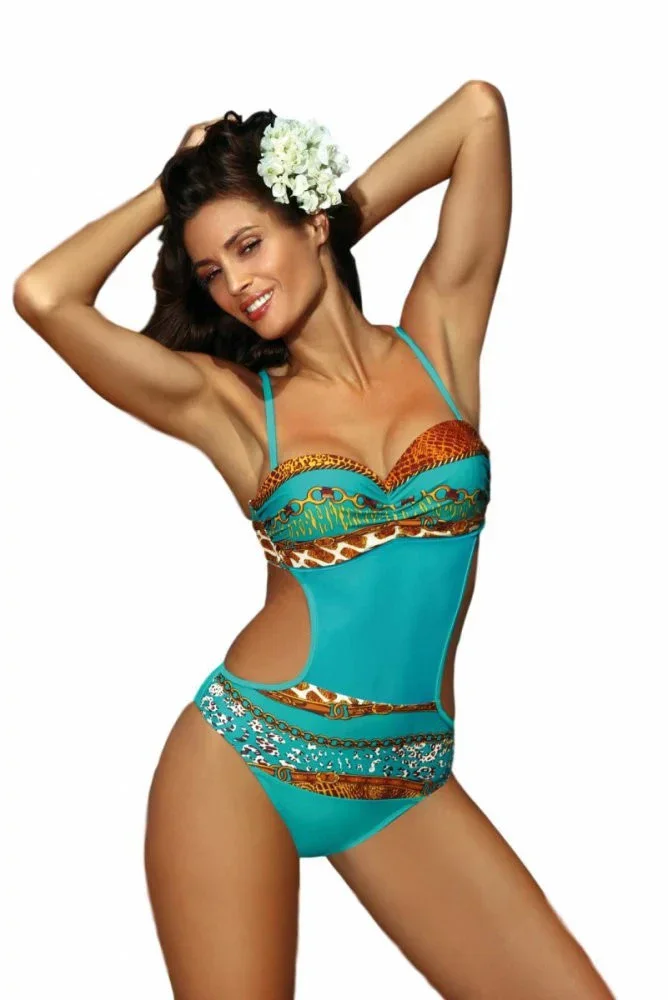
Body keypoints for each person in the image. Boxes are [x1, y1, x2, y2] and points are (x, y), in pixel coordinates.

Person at [13, 85, 614, 999]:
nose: (234, 284)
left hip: (405, 780)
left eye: (248, 245)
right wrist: (168, 188)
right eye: (211, 271)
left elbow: (478, 115)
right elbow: (44, 295)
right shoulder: (229, 405)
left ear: (314, 221)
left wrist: (324, 214)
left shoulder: (441, 340)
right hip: (243, 764)